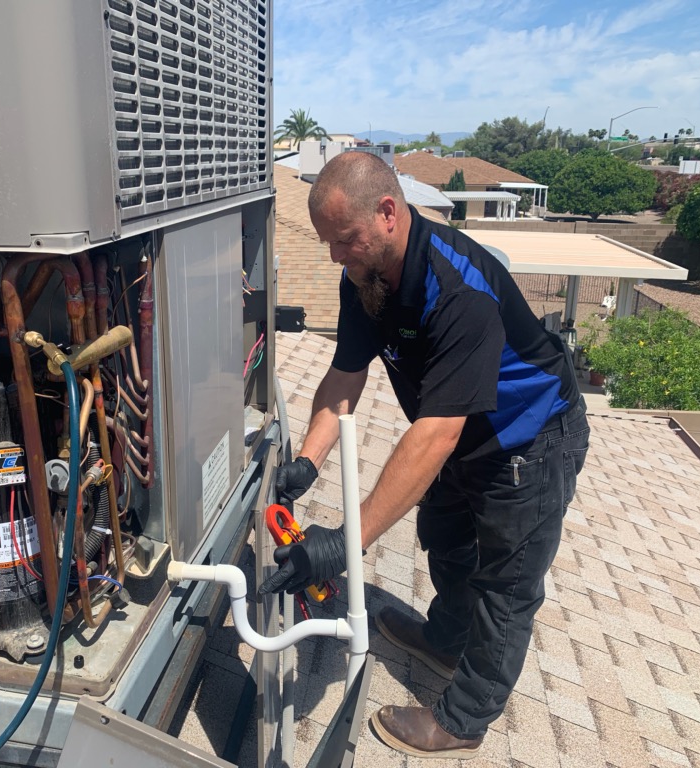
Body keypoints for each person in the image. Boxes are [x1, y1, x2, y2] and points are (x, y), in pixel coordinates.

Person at [259, 152, 590, 759]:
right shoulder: (363, 276)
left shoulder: (458, 288)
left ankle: (462, 721)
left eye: (345, 240)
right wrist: (307, 462)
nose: (336, 256)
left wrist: (345, 542)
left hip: (530, 440)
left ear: (388, 213)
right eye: (328, 243)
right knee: (445, 535)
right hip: (464, 436)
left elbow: (435, 433)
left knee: (505, 586)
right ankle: (445, 639)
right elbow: (344, 375)